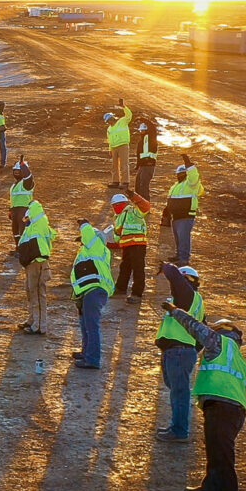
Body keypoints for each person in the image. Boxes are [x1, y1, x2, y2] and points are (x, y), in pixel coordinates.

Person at [159, 303, 246, 491]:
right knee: (216, 453)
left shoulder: (222, 343)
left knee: (223, 463)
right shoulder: (237, 357)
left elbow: (197, 329)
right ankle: (210, 487)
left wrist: (174, 310)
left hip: (222, 408)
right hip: (230, 410)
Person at [154, 262, 206, 442]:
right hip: (180, 352)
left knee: (180, 391)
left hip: (178, 352)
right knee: (177, 389)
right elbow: (203, 333)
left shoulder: (187, 295)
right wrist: (192, 349)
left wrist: (165, 266)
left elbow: (174, 275)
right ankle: (177, 427)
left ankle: (179, 430)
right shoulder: (196, 302)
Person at [70, 219, 114, 369]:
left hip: (93, 290)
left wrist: (85, 224)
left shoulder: (96, 246)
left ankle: (93, 359)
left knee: (91, 325)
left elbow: (90, 236)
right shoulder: (93, 250)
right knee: (85, 324)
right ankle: (86, 352)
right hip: (88, 291)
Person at [16, 200, 56, 335]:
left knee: (38, 294)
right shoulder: (32, 228)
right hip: (32, 265)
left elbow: (36, 210)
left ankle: (39, 326)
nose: (25, 221)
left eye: (27, 218)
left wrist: (32, 205)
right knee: (30, 292)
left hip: (37, 264)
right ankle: (32, 319)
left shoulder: (39, 224)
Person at [109, 191, 152, 303]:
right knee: (125, 267)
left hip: (137, 244)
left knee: (137, 269)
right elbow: (118, 233)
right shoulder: (117, 217)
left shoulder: (133, 211)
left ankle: (137, 294)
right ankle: (121, 288)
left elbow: (146, 206)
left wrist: (134, 196)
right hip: (127, 245)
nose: (115, 208)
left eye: (117, 205)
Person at [164, 156, 202, 266]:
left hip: (186, 215)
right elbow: (171, 200)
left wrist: (189, 165)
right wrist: (167, 212)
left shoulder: (191, 183)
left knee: (184, 237)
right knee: (178, 238)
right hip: (176, 217)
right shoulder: (175, 186)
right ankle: (179, 255)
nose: (179, 175)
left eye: (182, 173)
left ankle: (184, 258)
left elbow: (194, 176)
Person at [103, 100, 133, 190]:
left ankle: (125, 182)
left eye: (109, 120)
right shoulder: (109, 129)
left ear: (112, 118)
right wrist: (110, 149)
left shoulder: (122, 121)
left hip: (123, 145)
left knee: (124, 164)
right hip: (114, 147)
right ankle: (115, 181)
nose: (109, 122)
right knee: (114, 165)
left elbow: (129, 115)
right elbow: (109, 139)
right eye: (107, 121)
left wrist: (124, 107)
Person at [8, 157, 36, 241]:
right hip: (15, 211)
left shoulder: (26, 184)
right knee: (15, 231)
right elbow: (13, 199)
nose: (16, 172)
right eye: (15, 170)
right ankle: (18, 248)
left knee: (24, 232)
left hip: (24, 211)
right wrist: (10, 210)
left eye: (18, 170)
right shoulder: (14, 185)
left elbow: (28, 177)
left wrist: (23, 166)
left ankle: (23, 250)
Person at [133, 117, 160, 198]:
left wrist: (142, 119)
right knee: (138, 185)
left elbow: (152, 127)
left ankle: (145, 206)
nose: (141, 132)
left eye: (143, 130)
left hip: (149, 164)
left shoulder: (151, 137)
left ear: (147, 130)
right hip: (142, 166)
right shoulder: (141, 142)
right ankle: (140, 204)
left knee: (144, 186)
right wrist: (137, 165)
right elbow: (139, 154)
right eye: (140, 130)